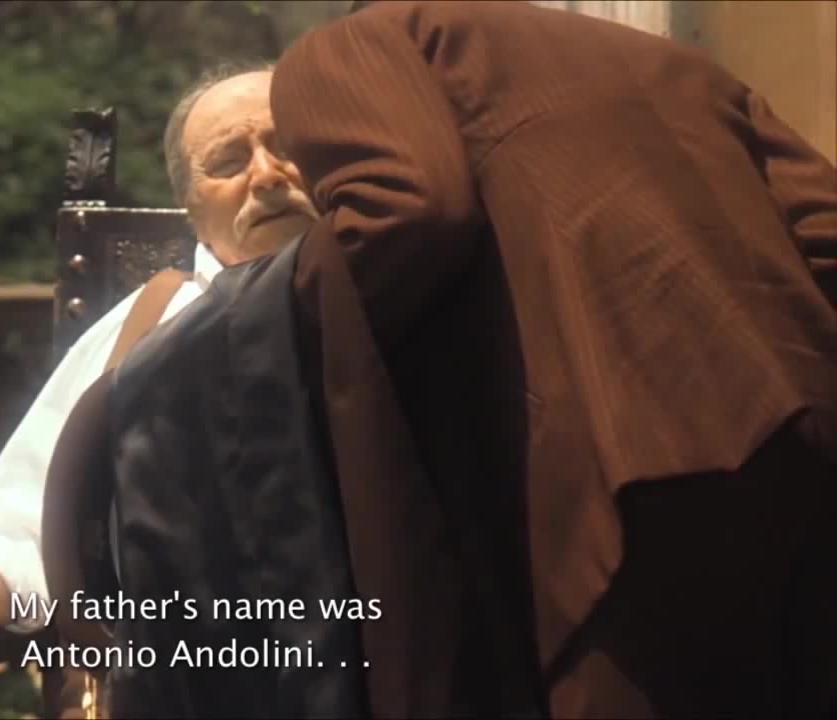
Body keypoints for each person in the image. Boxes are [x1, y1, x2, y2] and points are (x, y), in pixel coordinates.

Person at [260, 0, 834, 717]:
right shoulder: (673, 62)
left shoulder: (352, 45)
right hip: (806, 432)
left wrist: (264, 322)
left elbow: (409, 210)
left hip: (622, 469)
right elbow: (825, 233)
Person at [0, 61, 318, 707]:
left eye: (288, 146)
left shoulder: (398, 311)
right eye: (229, 162)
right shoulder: (143, 329)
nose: (267, 174)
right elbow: (24, 529)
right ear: (191, 209)